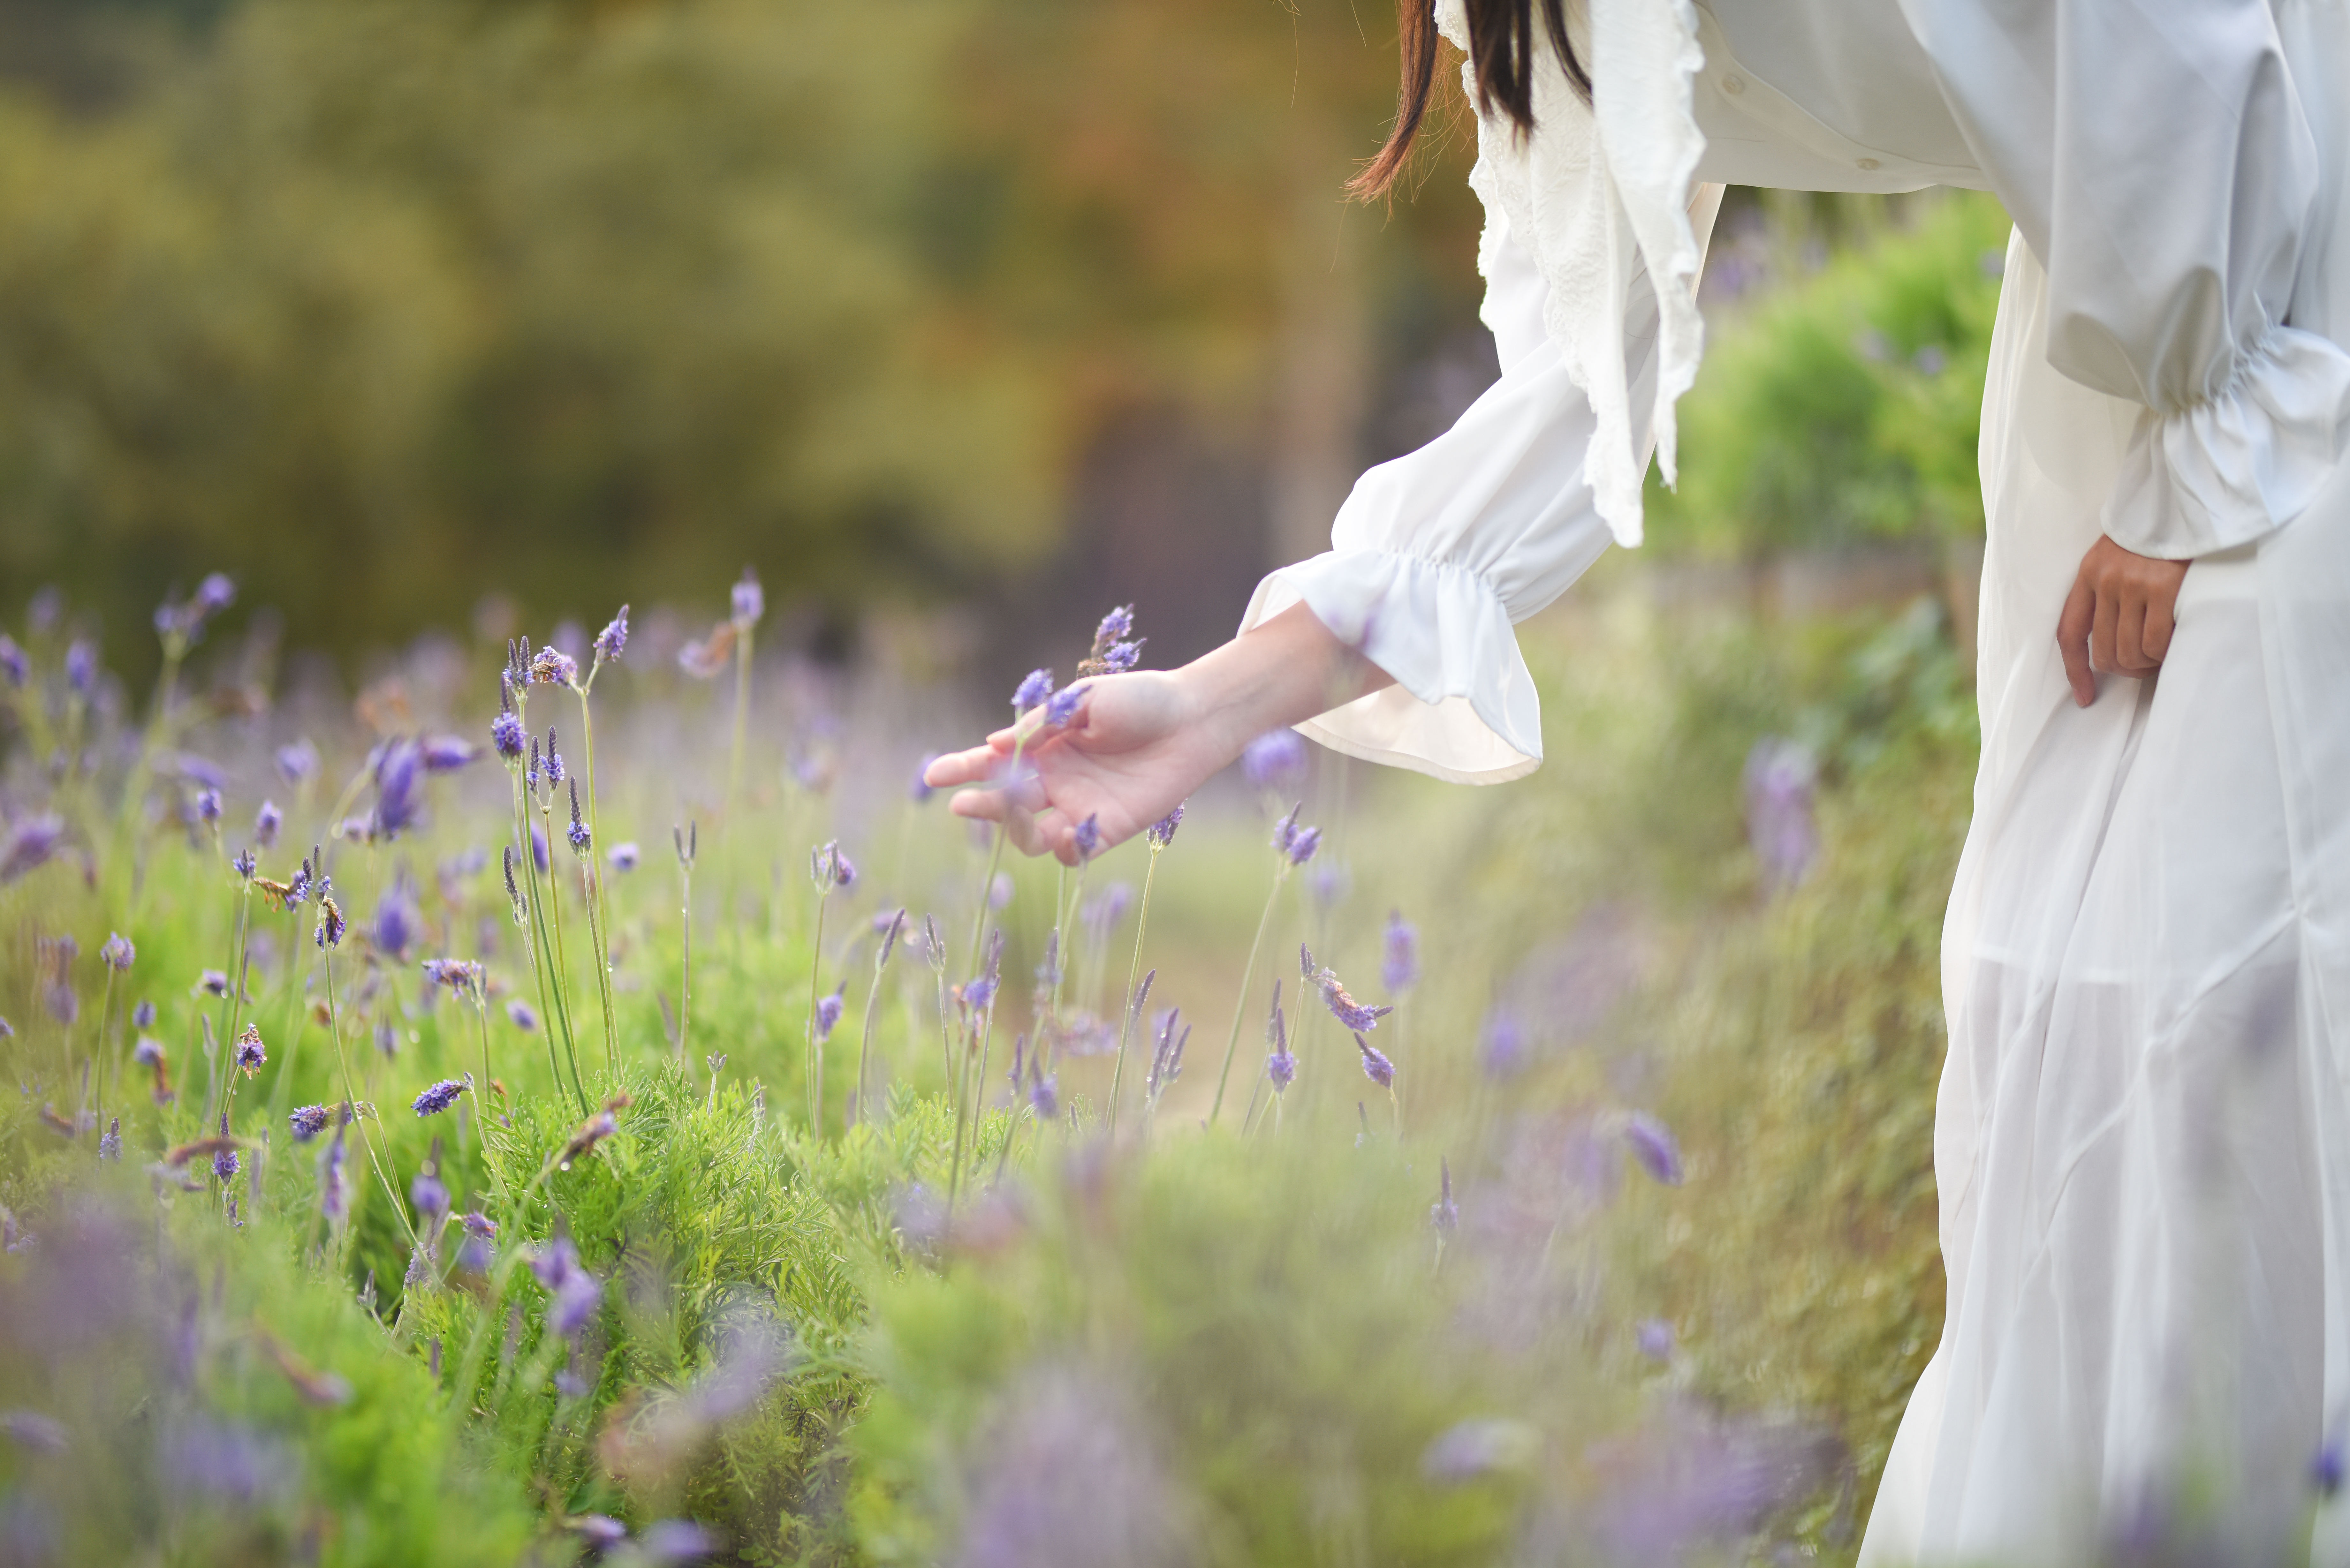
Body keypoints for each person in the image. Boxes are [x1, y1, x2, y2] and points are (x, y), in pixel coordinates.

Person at [927, 0, 2350, 1559]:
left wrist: (2206, 443)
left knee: (2228, 1034)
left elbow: (2174, 49)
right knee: (2065, 1068)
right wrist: (1214, 704)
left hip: (2287, 327)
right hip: (2141, 385)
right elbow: (1579, 379)